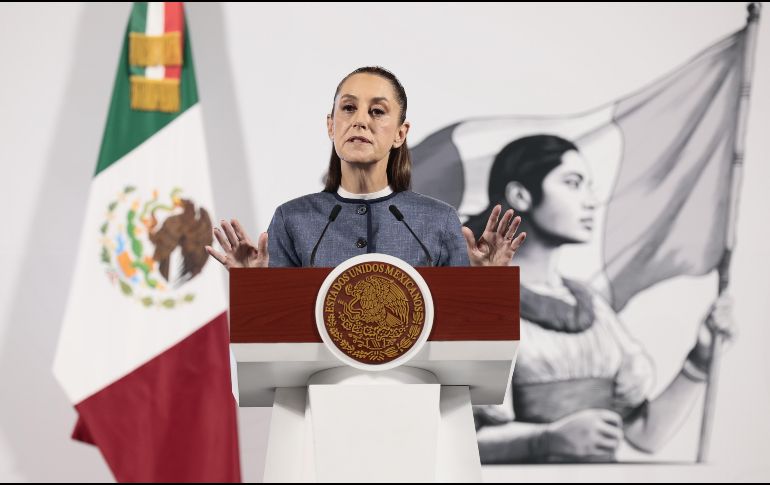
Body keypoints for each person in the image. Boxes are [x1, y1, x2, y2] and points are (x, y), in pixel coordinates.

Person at [467, 134, 734, 463]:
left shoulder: (590, 305)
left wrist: (700, 358)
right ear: (520, 195)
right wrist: (545, 440)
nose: (591, 201)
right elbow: (460, 440)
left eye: (589, 185)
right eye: (573, 183)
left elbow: (644, 434)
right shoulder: (478, 303)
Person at [205, 66, 526, 269]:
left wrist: (488, 278)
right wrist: (254, 286)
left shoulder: (438, 220)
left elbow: (467, 328)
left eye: (377, 111)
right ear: (331, 126)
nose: (360, 120)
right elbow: (272, 336)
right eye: (348, 108)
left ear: (401, 133)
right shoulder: (293, 219)